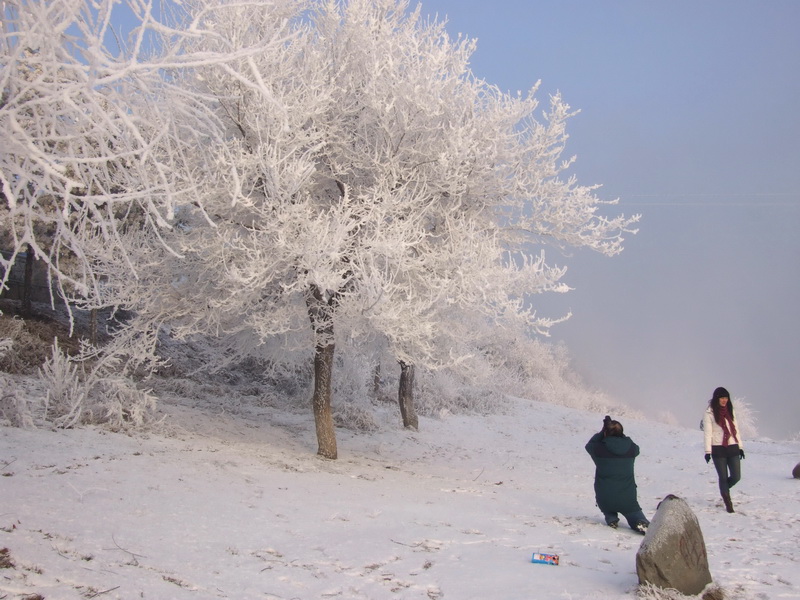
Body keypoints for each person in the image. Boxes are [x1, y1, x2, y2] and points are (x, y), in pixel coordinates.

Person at [585, 416, 650, 533]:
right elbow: (637, 448)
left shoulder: (598, 449)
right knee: (635, 515)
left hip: (604, 497)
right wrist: (621, 435)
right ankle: (639, 522)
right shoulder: (631, 448)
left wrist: (602, 432)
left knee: (606, 506)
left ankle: (611, 518)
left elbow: (589, 445)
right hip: (627, 498)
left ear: (605, 433)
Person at [703, 386, 745, 513]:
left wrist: (740, 447)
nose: (724, 400)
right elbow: (707, 434)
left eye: (726, 397)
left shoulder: (730, 411)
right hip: (718, 449)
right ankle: (728, 503)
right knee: (723, 476)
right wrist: (707, 452)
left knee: (736, 476)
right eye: (722, 398)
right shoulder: (709, 413)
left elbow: (736, 430)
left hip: (732, 447)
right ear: (717, 399)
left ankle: (724, 488)